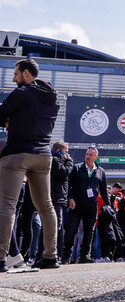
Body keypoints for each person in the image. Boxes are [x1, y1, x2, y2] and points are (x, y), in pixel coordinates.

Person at [0, 59, 61, 272]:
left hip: (18, 153)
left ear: (26, 73)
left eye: (16, 74)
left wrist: (9, 121)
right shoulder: (53, 98)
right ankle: (50, 256)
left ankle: (1, 258)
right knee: (46, 206)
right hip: (43, 155)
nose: (13, 78)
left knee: (7, 205)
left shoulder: (22, 93)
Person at [49, 141, 72, 262]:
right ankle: (52, 254)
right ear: (59, 151)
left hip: (59, 198)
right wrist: (69, 162)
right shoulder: (55, 160)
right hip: (55, 198)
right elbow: (64, 173)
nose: (68, 154)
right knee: (55, 226)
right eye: (66, 152)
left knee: (58, 226)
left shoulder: (58, 160)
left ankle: (56, 254)